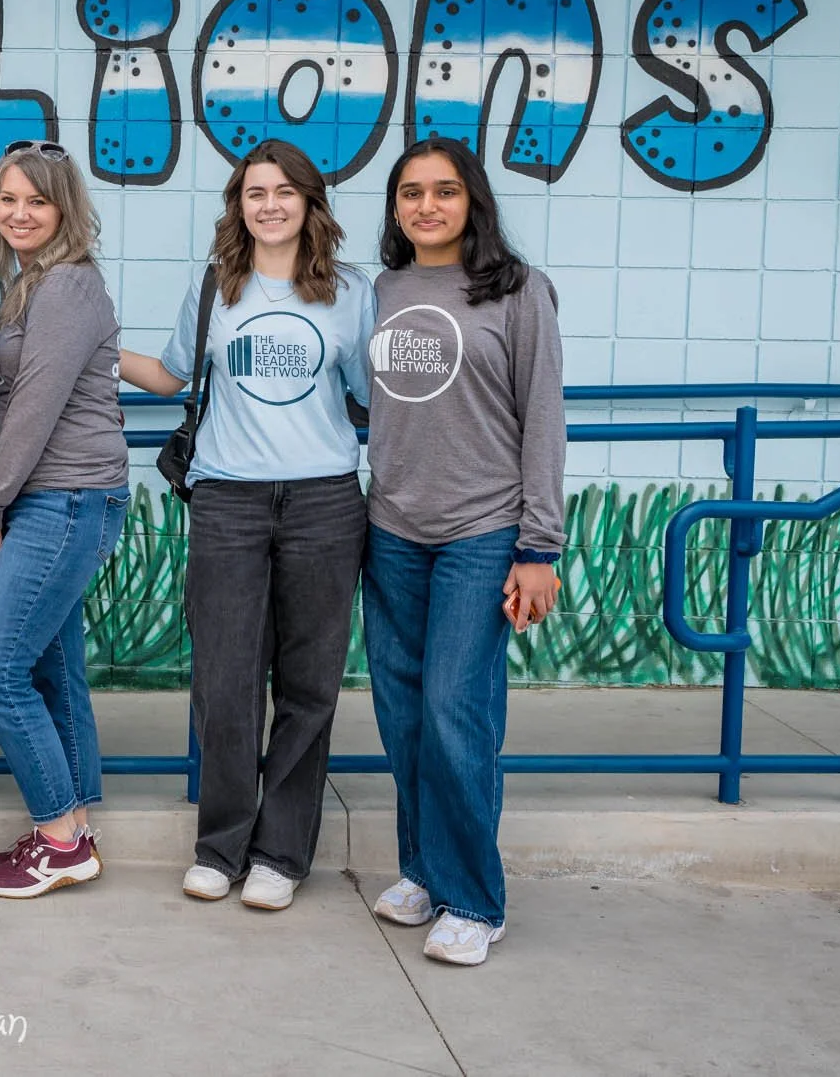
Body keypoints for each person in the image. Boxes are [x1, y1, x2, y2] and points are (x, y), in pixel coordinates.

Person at [120, 139, 374, 912]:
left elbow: (373, 398)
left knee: (309, 684)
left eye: (284, 191)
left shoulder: (353, 294)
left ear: (310, 202)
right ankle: (220, 843)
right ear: (239, 205)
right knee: (225, 682)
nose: (269, 204)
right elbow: (170, 376)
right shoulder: (216, 290)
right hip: (228, 500)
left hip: (326, 502)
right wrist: (85, 351)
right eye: (254, 192)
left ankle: (281, 852)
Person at [361, 136, 564, 967]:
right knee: (404, 714)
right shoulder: (381, 289)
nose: (427, 206)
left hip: (483, 530)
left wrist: (539, 545)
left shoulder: (518, 291)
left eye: (445, 191)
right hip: (392, 528)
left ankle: (476, 897)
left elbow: (544, 419)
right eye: (411, 193)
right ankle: (423, 869)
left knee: (455, 710)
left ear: (473, 202)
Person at [0, 143, 130, 901]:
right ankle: (75, 827)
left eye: (37, 201)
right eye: (9, 200)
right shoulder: (24, 287)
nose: (20, 213)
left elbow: (33, 409)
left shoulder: (67, 286)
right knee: (53, 668)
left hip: (63, 499)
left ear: (65, 209)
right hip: (47, 498)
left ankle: (59, 838)